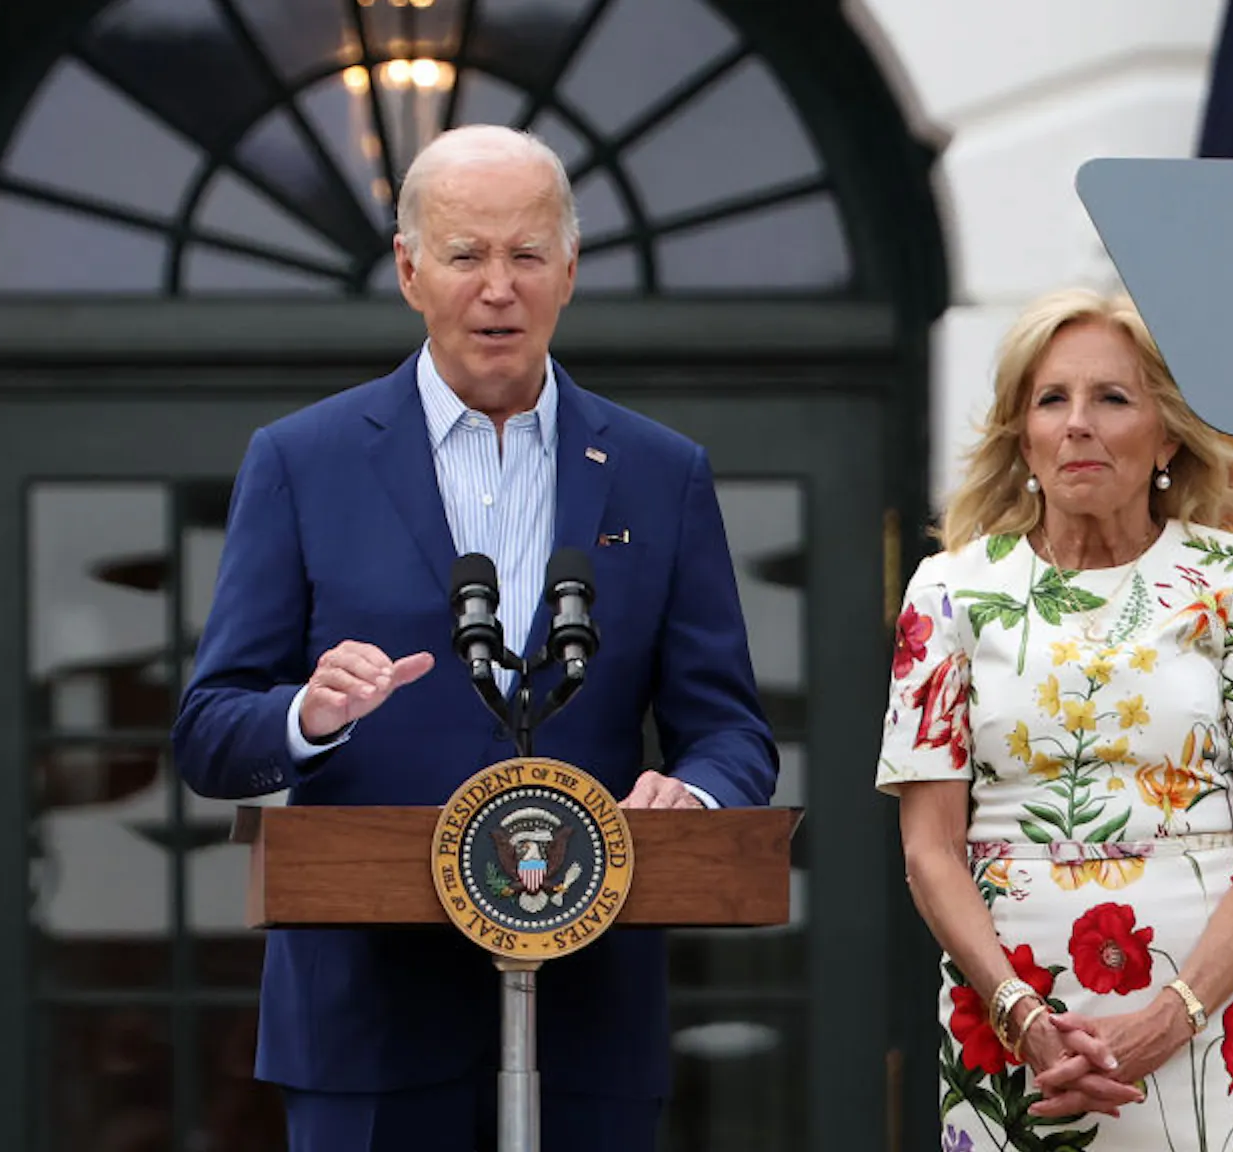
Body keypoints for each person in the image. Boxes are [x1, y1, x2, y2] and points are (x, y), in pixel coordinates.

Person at [171, 124, 779, 1152]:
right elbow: (208, 731)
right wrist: (307, 717)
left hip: (589, 1018)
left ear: (569, 271)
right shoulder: (302, 461)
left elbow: (730, 732)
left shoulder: (656, 471)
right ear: (410, 270)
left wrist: (696, 793)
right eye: (465, 255)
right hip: (365, 1022)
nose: (497, 287)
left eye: (525, 255)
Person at [876, 288, 1233, 1150]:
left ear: (1168, 434)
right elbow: (929, 848)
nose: (1078, 424)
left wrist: (1171, 1018)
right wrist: (1023, 1017)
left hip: (1212, 1019)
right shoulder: (949, 590)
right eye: (1051, 399)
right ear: (1022, 436)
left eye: (1112, 397)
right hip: (1010, 1022)